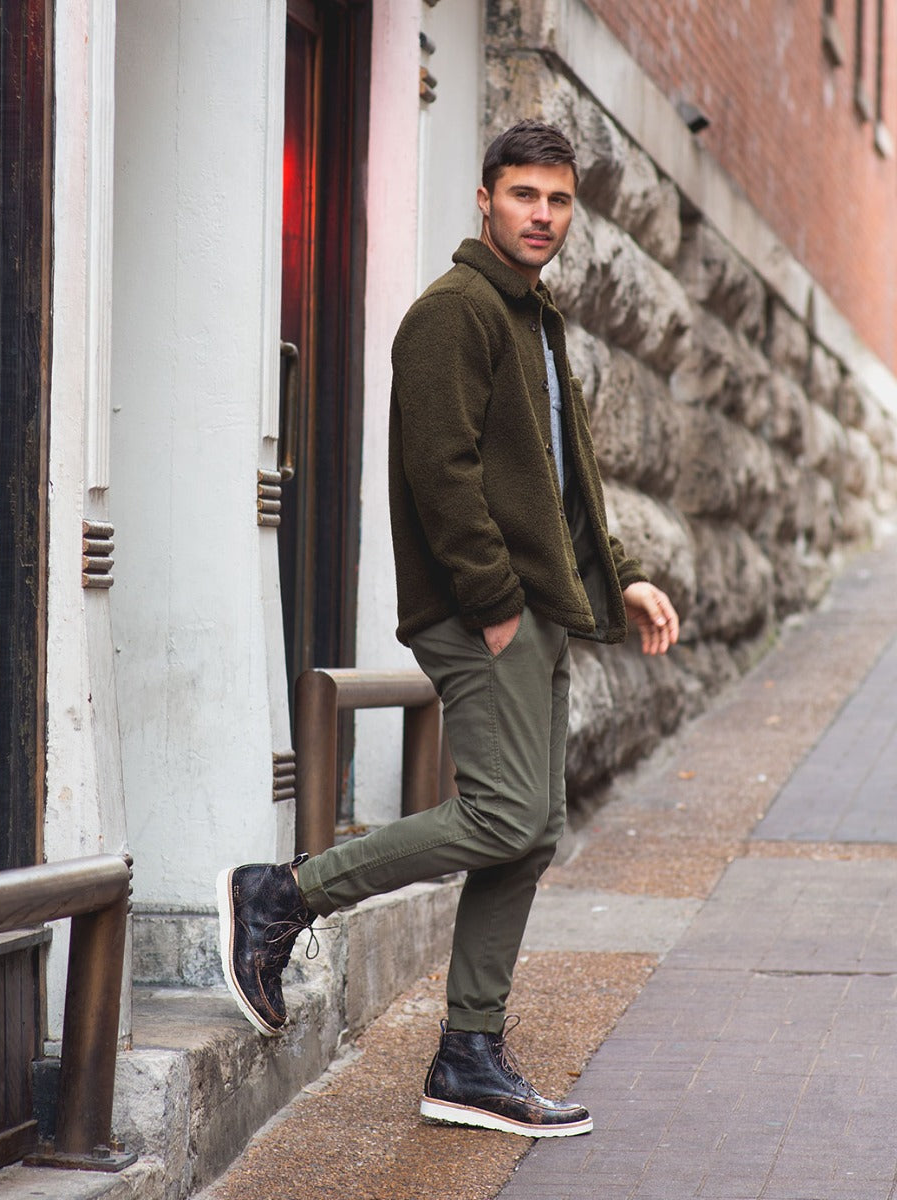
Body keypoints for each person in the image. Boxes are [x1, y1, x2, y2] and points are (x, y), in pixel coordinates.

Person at [217, 120, 679, 1139]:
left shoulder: (531, 318)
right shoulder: (453, 313)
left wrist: (624, 580)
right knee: (507, 816)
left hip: (536, 610)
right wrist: (494, 603)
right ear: (484, 197)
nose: (542, 217)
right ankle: (281, 894)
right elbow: (443, 473)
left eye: (557, 201)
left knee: (532, 828)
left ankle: (467, 1055)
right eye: (524, 196)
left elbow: (560, 485)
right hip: (487, 614)